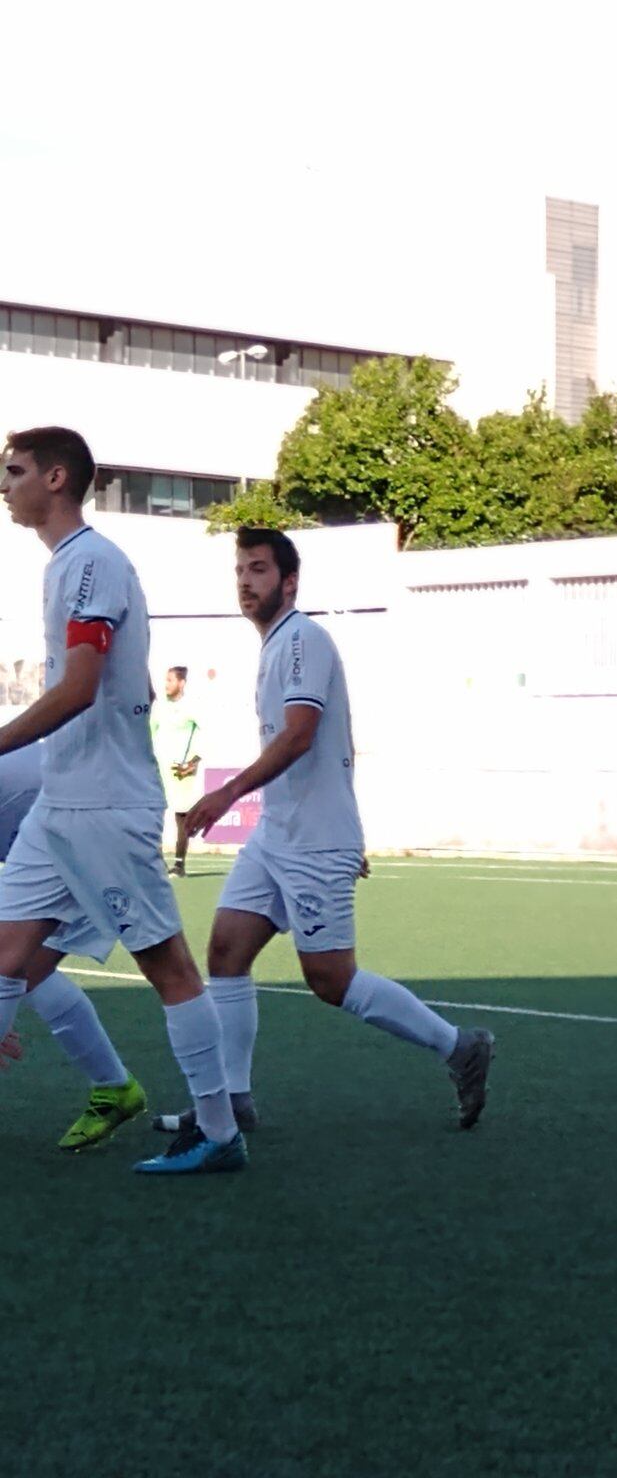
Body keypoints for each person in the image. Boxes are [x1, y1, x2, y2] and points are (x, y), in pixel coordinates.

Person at [176, 528, 495, 1134]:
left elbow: (300, 735)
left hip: (313, 842)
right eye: (241, 569)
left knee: (329, 979)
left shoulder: (301, 639)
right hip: (280, 835)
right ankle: (235, 1101)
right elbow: (334, 742)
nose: (246, 580)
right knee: (226, 951)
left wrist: (227, 793)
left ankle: (460, 1047)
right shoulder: (274, 645)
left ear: (289, 582)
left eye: (260, 570)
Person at [0, 426, 242, 1175]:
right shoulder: (67, 566)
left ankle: (218, 1131)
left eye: (14, 471)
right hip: (63, 803)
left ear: (57, 478)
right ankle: (127, 1093)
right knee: (5, 956)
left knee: (167, 967)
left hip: (102, 808)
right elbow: (115, 686)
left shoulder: (91, 562)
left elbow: (78, 689)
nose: (4, 484)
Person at [0, 740, 150, 1147]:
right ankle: (115, 1086)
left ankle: (219, 1114)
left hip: (92, 826)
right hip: (93, 818)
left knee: (12, 964)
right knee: (25, 969)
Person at [152, 665, 202, 876]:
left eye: (170, 680)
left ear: (181, 683)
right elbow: (149, 732)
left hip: (180, 771)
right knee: (154, 815)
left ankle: (179, 864)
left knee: (182, 817)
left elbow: (204, 735)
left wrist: (193, 761)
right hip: (158, 769)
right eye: (166, 680)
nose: (166, 684)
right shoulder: (159, 707)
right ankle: (157, 863)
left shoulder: (192, 707)